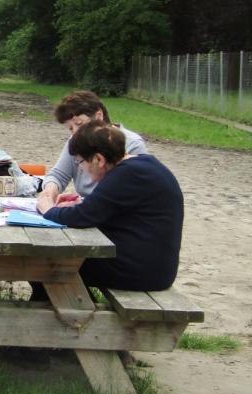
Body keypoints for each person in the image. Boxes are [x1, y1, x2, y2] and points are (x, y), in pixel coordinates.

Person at [37, 120, 183, 291]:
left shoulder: (126, 174)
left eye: (80, 162)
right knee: (50, 264)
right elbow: (103, 208)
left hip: (141, 272)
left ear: (98, 159)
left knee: (44, 265)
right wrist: (82, 202)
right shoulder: (141, 165)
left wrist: (48, 208)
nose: (81, 169)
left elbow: (81, 217)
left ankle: (71, 313)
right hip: (151, 266)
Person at [39, 90, 147, 205]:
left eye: (79, 124)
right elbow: (58, 175)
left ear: (99, 116)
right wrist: (49, 191)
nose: (75, 132)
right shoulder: (75, 141)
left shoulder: (132, 144)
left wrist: (80, 205)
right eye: (70, 128)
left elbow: (129, 195)